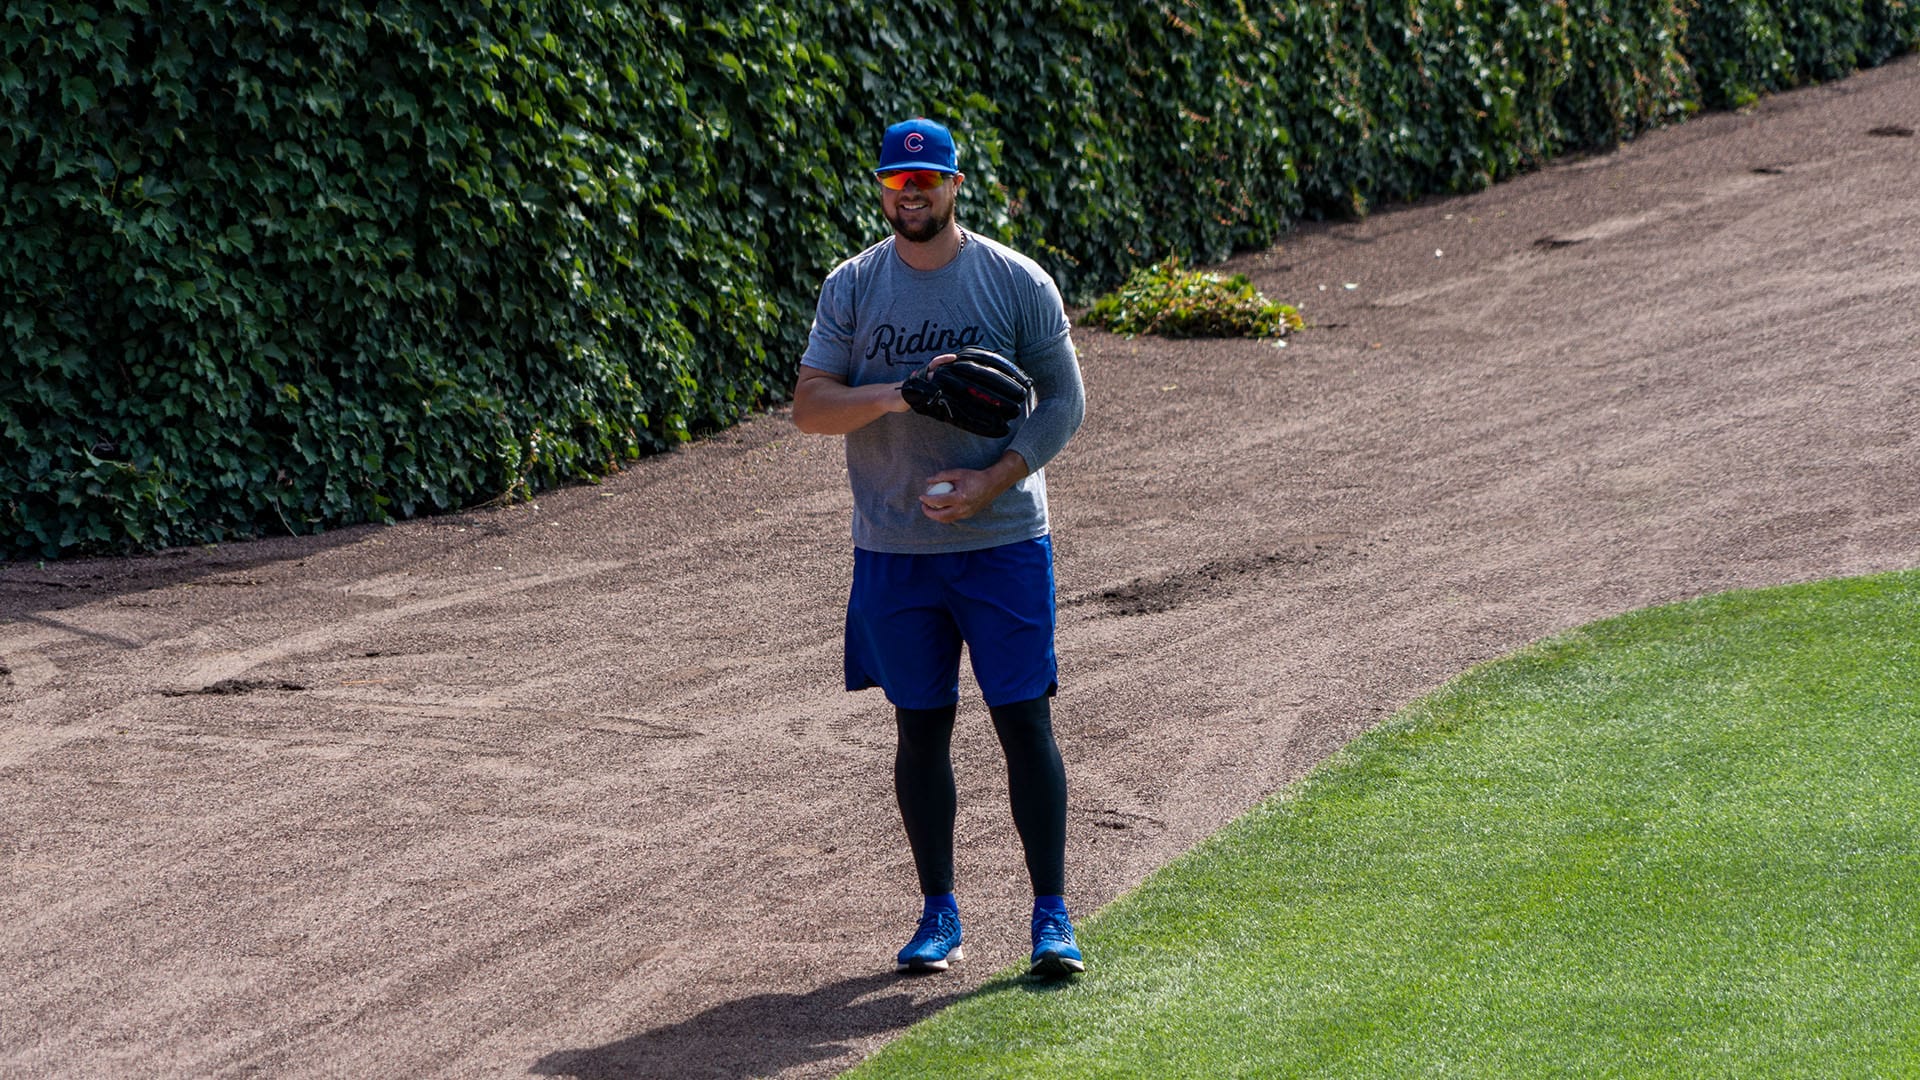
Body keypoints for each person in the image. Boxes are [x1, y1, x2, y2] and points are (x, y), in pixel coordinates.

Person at [791, 117, 1088, 978]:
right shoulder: (852, 287)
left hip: (1002, 543)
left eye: (926, 180)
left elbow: (1063, 404)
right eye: (896, 180)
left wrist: (991, 481)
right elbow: (812, 406)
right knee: (919, 730)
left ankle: (1052, 917)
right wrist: (897, 395)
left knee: (1023, 723)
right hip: (893, 548)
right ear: (883, 189)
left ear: (956, 185)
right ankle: (939, 914)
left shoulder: (1013, 281)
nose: (910, 192)